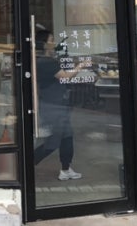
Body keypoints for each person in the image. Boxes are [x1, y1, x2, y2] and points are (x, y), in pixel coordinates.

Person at [33, 29, 90, 180]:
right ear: (44, 44)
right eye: (51, 40)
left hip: (55, 104)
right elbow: (65, 77)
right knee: (54, 140)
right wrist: (81, 66)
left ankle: (66, 169)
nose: (54, 43)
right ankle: (27, 162)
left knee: (67, 136)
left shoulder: (42, 60)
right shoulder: (46, 62)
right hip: (53, 106)